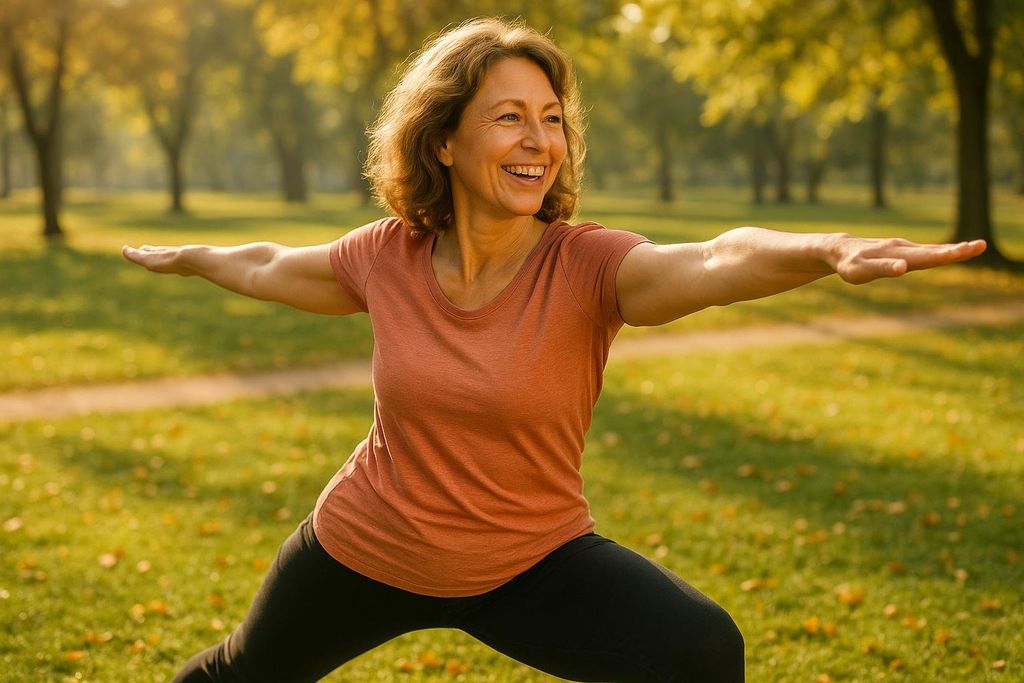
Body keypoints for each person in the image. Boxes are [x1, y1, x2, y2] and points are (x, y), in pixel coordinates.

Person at [122, 17, 986, 683]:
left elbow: (716, 258)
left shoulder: (588, 266)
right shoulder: (388, 255)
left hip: (525, 559)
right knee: (235, 673)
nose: (539, 141)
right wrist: (192, 256)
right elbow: (272, 262)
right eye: (509, 118)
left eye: (551, 120)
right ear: (445, 141)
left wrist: (826, 250)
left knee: (701, 647)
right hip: (366, 544)